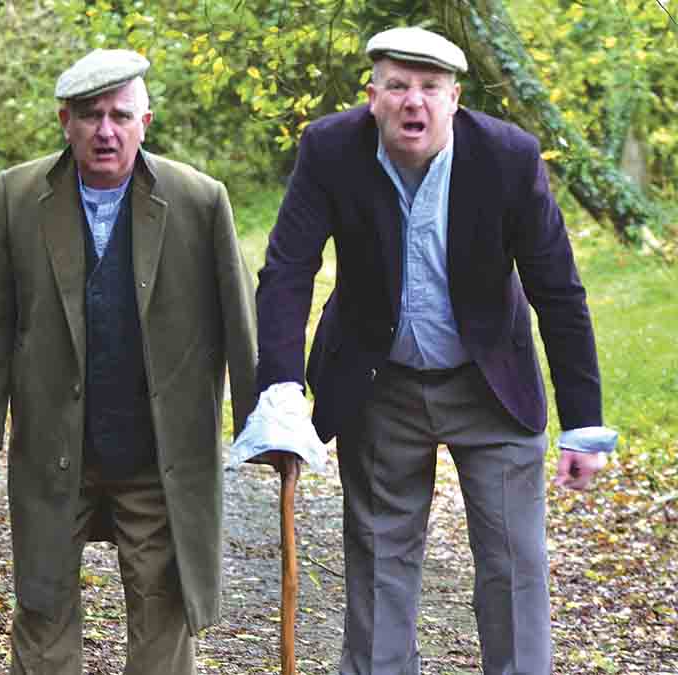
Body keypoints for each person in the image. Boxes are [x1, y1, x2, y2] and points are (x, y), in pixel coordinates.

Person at [252, 26, 617, 674]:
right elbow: (287, 268)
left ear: (455, 99)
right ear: (373, 97)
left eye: (429, 87)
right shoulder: (330, 149)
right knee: (378, 562)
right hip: (379, 381)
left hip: (491, 382)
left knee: (513, 565)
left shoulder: (508, 157)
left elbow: (557, 289)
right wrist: (280, 390)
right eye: (397, 86)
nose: (413, 101)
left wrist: (584, 421)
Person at [0, 49, 257, 675]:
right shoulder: (18, 195)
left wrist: (264, 425)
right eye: (90, 115)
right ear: (65, 122)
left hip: (157, 453)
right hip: (53, 445)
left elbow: (240, 322)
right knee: (42, 605)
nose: (106, 131)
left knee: (163, 607)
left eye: (120, 115)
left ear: (147, 121)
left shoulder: (199, 200)